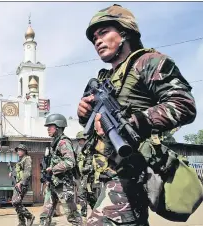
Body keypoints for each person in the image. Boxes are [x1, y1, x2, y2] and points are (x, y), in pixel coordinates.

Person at [78, 4, 196, 225]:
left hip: (133, 172)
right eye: (94, 37)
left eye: (104, 32)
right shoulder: (105, 79)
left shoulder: (148, 61)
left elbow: (184, 105)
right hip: (105, 173)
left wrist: (136, 122)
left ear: (124, 32)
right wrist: (84, 113)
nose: (97, 41)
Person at [39, 113, 81, 226]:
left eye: (50, 126)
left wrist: (52, 169)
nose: (48, 129)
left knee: (73, 217)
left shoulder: (64, 142)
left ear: (58, 126)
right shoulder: (55, 143)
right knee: (45, 215)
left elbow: (70, 162)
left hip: (63, 185)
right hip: (53, 183)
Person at [9, 144, 35, 226]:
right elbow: (18, 172)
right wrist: (11, 173)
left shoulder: (27, 159)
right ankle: (22, 222)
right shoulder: (20, 160)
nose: (18, 152)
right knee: (17, 203)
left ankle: (29, 216)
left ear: (24, 151)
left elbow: (27, 172)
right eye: (18, 150)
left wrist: (21, 183)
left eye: (20, 150)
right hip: (18, 184)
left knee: (15, 202)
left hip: (22, 184)